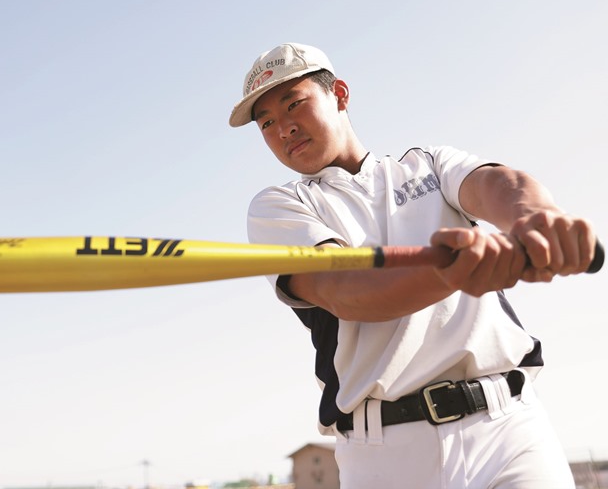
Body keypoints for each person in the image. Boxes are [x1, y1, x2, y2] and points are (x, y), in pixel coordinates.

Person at [228, 42, 598, 489]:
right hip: (385, 452)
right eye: (266, 122)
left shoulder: (430, 166)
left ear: (339, 94)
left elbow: (500, 184)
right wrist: (450, 273)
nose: (283, 128)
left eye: (294, 104)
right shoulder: (279, 206)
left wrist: (537, 222)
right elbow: (343, 290)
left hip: (508, 431)